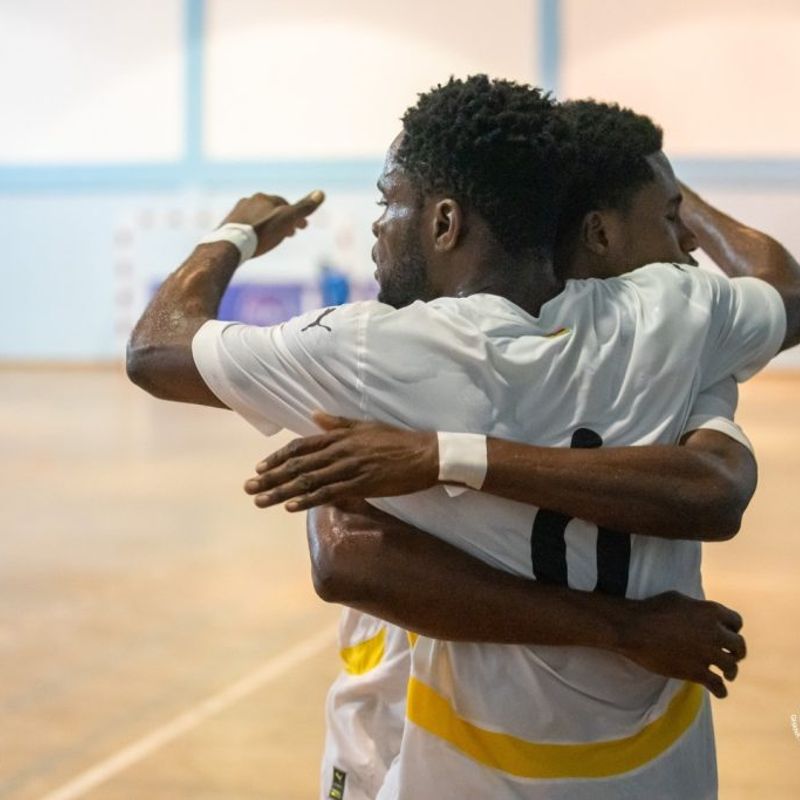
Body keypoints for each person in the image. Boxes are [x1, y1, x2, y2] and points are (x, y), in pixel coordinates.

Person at [126, 77, 796, 798]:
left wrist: (236, 233)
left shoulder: (374, 353)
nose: (380, 223)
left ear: (445, 222)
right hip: (660, 764)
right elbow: (782, 293)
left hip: (463, 763)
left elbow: (156, 352)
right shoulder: (682, 315)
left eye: (390, 201)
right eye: (669, 219)